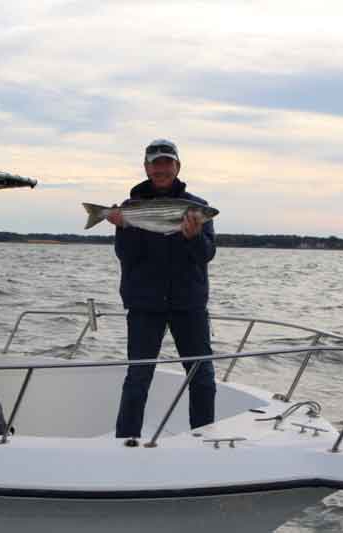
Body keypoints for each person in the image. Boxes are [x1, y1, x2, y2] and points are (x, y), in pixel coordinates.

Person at [107, 139, 217, 444]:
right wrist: (125, 226)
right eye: (155, 163)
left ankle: (203, 438)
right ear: (146, 168)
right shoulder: (131, 207)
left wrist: (193, 237)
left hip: (189, 304)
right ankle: (125, 441)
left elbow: (206, 255)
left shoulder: (196, 208)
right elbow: (126, 257)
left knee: (202, 377)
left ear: (177, 167)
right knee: (138, 378)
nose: (161, 169)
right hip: (145, 304)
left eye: (167, 163)